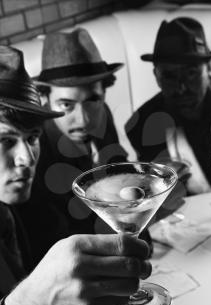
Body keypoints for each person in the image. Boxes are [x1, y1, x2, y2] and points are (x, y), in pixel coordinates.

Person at [0, 45, 152, 305]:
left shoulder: (9, 205)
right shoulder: (34, 187)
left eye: (32, 139)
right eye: (4, 140)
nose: (26, 159)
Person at [17, 27, 153, 264]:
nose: (83, 120)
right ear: (46, 99)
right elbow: (53, 242)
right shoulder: (33, 152)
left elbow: (120, 176)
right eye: (66, 105)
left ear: (103, 95)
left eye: (92, 101)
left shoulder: (102, 117)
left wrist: (140, 234)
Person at [125, 17, 211, 195]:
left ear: (210, 67)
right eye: (169, 76)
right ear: (156, 76)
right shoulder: (143, 124)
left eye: (191, 73)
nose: (181, 88)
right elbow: (157, 197)